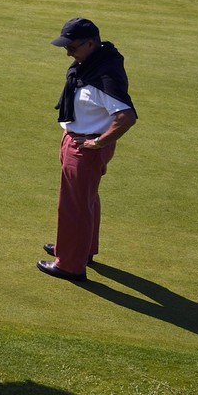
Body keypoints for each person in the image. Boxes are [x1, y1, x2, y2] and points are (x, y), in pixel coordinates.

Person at [38, 18, 137, 282]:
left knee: (74, 206)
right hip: (79, 139)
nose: (67, 52)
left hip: (86, 146)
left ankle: (70, 264)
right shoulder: (92, 63)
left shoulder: (104, 76)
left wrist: (98, 142)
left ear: (91, 43)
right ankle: (81, 249)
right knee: (86, 200)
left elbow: (126, 116)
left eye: (72, 47)